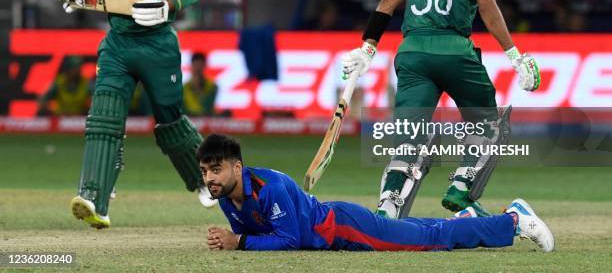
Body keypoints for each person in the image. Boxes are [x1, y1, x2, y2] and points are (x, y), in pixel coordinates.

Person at [340, 0, 542, 219]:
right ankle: (461, 186)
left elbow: (387, 3)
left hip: (412, 54)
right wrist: (514, 55)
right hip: (454, 51)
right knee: (489, 124)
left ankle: (389, 205)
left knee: (409, 137)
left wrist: (367, 47)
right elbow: (488, 8)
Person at [42, 0, 216, 229]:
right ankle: (94, 199)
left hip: (157, 46)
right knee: (104, 118)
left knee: (170, 120)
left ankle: (205, 179)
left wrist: (167, 6)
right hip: (118, 45)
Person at [198, 134, 554, 252]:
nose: (210, 178)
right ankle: (469, 218)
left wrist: (239, 242)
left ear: (237, 167)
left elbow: (289, 240)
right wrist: (239, 237)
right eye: (205, 172)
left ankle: (512, 220)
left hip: (344, 227)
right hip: (336, 230)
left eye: (216, 169)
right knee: (422, 230)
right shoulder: (227, 195)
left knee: (430, 240)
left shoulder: (268, 187)